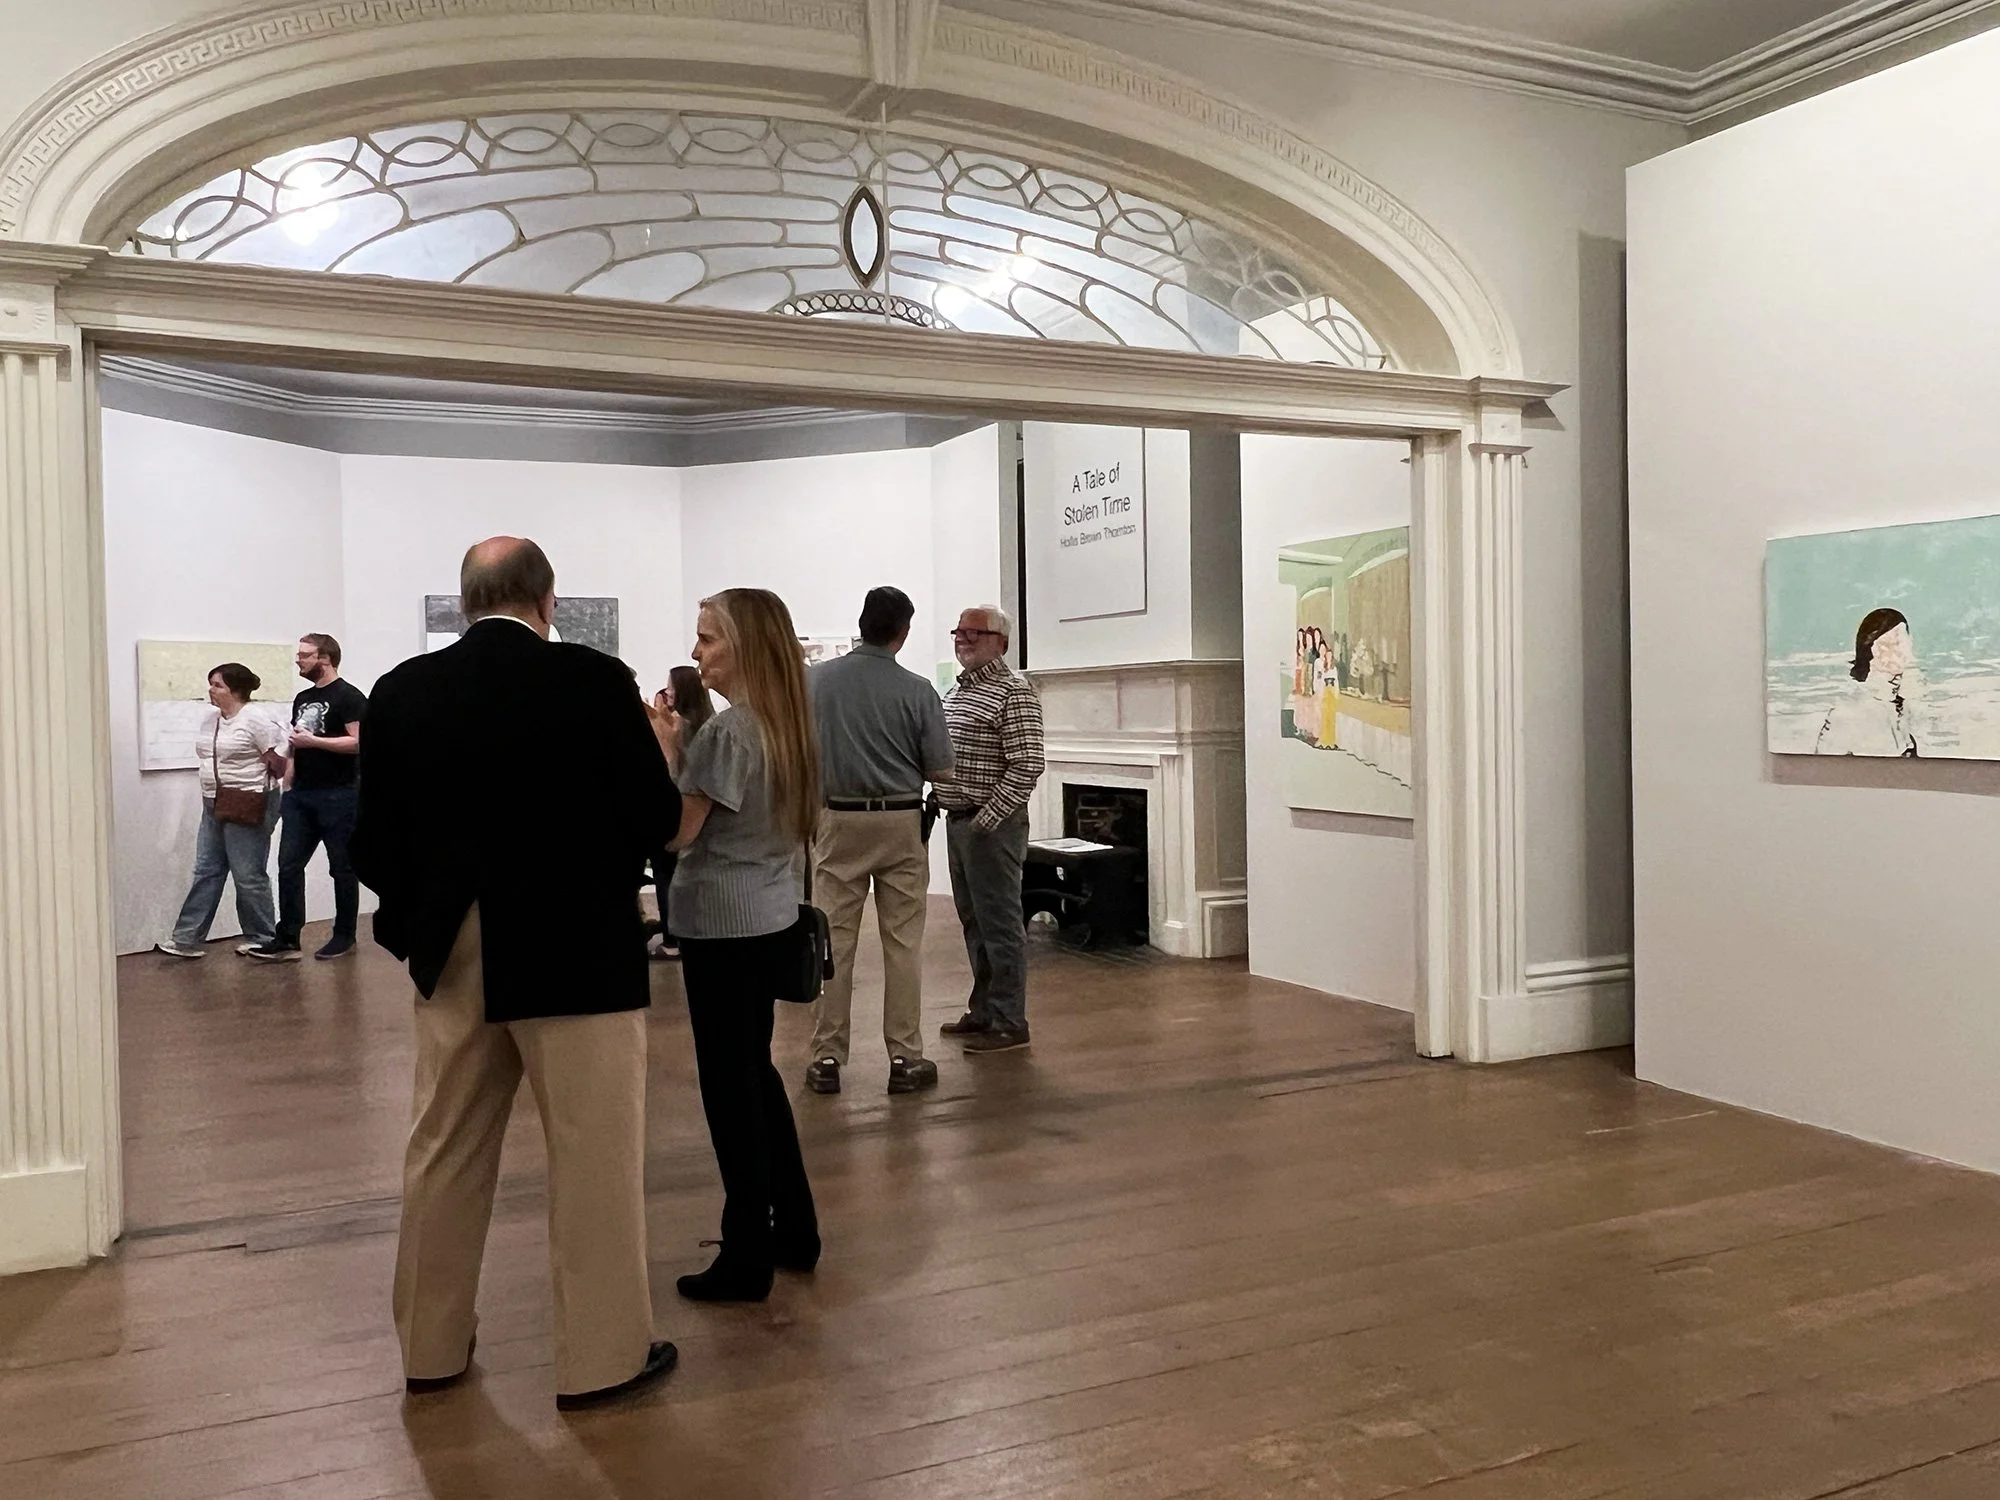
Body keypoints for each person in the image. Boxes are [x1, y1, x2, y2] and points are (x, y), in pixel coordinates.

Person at [349, 536, 680, 1411]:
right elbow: (653, 816)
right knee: (593, 1155)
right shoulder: (595, 681)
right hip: (578, 944)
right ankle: (602, 1359)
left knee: (444, 1146)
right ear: (548, 600)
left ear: (465, 602)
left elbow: (373, 844)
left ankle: (431, 1346)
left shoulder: (399, 692)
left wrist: (432, 918)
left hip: (453, 943)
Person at [658, 588, 820, 1303]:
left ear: (744, 646)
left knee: (731, 1089)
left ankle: (747, 1252)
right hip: (769, 915)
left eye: (708, 640)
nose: (697, 655)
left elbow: (677, 832)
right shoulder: (788, 727)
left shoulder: (728, 735)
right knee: (757, 1077)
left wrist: (667, 752)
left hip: (722, 926)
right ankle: (796, 1230)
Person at [802, 586, 955, 1097]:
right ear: (902, 632)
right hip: (899, 820)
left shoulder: (814, 682)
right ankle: (905, 1055)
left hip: (837, 818)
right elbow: (940, 769)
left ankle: (826, 1055)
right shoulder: (917, 691)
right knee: (904, 942)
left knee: (833, 942)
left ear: (862, 622)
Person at [937, 605, 1045, 1054]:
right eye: (958, 632)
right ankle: (983, 1010)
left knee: (1000, 925)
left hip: (990, 826)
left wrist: (985, 820)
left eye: (974, 633)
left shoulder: (1013, 692)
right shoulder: (958, 693)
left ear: (1000, 641)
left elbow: (1027, 765)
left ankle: (1009, 1020)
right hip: (959, 822)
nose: (963, 639)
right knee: (974, 923)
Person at [246, 633, 367, 962]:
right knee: (288, 865)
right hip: (301, 796)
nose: (298, 660)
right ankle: (288, 937)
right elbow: (298, 742)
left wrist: (316, 743)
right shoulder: (302, 697)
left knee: (341, 868)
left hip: (339, 794)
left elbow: (358, 743)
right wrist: (289, 780)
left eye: (305, 654)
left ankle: (344, 935)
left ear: (325, 658)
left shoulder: (350, 697)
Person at [153, 663, 287, 960]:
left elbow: (279, 762)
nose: (211, 690)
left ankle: (264, 938)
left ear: (236, 690)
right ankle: (187, 938)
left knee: (248, 874)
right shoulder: (211, 720)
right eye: (211, 684)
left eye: (217, 685)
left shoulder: (256, 720)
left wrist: (266, 791)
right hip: (213, 801)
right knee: (207, 869)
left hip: (248, 801)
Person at [646, 664, 714, 961]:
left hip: (679, 811)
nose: (667, 692)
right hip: (694, 815)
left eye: (671, 687)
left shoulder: (680, 728)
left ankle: (673, 940)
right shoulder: (706, 724)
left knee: (666, 872)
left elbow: (677, 775)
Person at [1815, 607, 1921, 757]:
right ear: (1870, 650)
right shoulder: (1846, 715)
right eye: (1891, 645)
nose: (1902, 653)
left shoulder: (1900, 709)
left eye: (1903, 643)